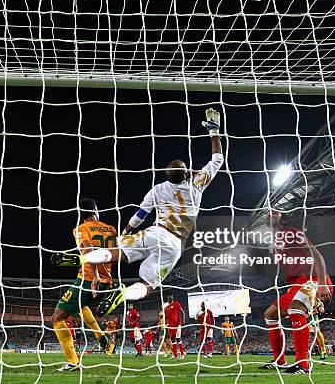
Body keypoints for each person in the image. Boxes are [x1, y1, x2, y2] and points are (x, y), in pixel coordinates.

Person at [53, 108, 224, 315]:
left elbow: (140, 215)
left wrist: (125, 233)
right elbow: (217, 160)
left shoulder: (158, 189)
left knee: (120, 254)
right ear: (186, 171)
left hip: (157, 232)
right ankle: (123, 295)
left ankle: (84, 258)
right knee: (148, 285)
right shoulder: (196, 183)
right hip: (177, 245)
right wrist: (214, 131)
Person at [261, 211, 333, 374]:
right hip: (299, 285)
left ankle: (303, 364)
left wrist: (322, 284)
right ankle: (279, 361)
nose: (270, 221)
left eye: (275, 218)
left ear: (283, 222)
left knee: (295, 308)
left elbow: (317, 255)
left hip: (314, 280)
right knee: (270, 314)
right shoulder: (275, 244)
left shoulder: (291, 233)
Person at [50, 198, 114, 371]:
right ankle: (101, 336)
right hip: (105, 282)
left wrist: (94, 275)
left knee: (56, 318)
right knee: (79, 306)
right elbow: (115, 254)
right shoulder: (111, 230)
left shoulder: (81, 229)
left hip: (88, 280)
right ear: (94, 211)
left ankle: (73, 362)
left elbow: (87, 248)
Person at [164, 294, 186, 359]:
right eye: (169, 298)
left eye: (171, 298)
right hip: (170, 325)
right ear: (167, 298)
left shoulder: (176, 304)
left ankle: (182, 354)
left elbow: (182, 312)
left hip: (177, 324)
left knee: (178, 338)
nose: (170, 299)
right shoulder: (166, 306)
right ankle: (175, 355)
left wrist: (183, 320)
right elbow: (165, 315)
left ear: (172, 298)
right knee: (173, 340)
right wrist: (166, 323)